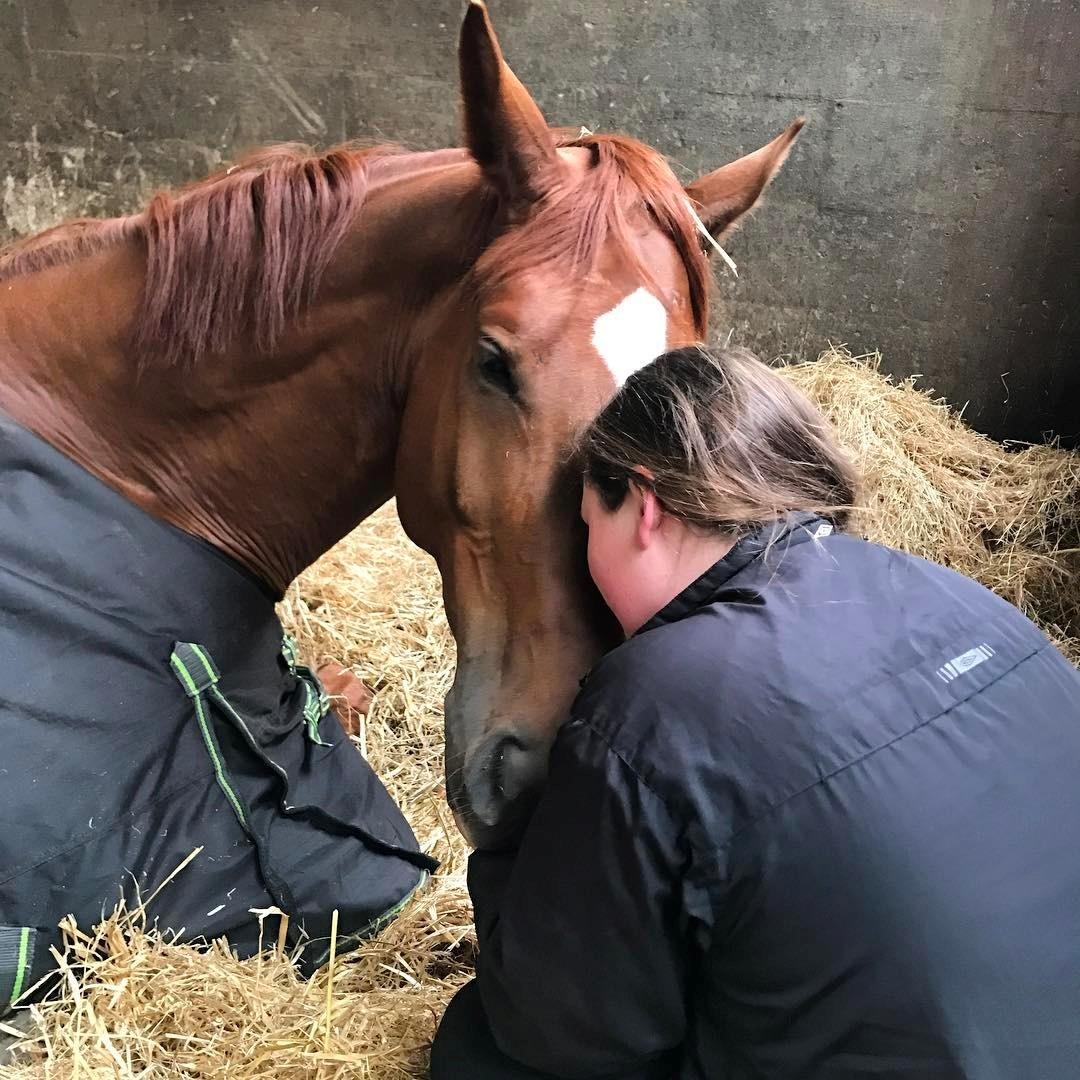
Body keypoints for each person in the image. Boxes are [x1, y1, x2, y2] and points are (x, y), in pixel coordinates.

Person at [429, 344, 1080, 1079]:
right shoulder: (958, 594)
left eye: (587, 527)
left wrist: (510, 847)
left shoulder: (655, 694)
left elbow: (561, 1028)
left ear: (644, 507)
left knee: (483, 1050)